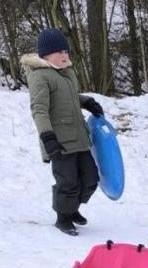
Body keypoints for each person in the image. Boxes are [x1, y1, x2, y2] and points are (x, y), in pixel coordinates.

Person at [21, 28, 104, 237]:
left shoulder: (67, 72)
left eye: (66, 51)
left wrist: (87, 102)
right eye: (59, 52)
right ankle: (63, 218)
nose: (65, 56)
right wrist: (48, 138)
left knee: (90, 178)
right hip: (59, 141)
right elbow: (39, 109)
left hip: (79, 137)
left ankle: (72, 208)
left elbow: (70, 97)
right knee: (67, 181)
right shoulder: (40, 76)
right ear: (46, 55)